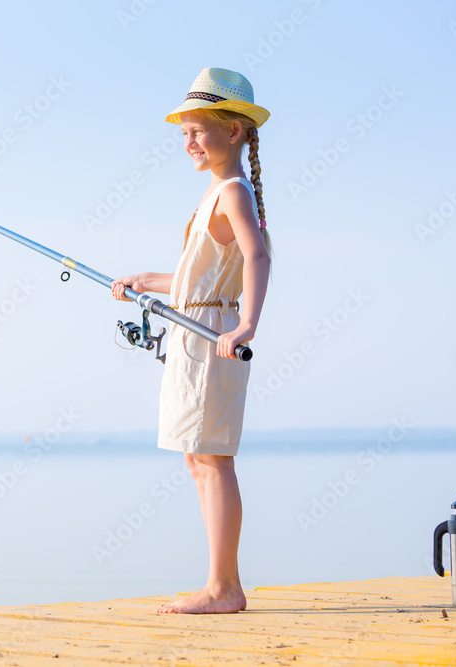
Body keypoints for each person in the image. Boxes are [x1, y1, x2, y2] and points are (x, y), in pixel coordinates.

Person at [111, 67, 273, 614]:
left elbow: (258, 256)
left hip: (214, 342)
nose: (189, 142)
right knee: (196, 458)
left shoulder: (233, 192)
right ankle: (219, 583)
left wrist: (246, 325)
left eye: (198, 130)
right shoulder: (212, 196)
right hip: (192, 336)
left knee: (213, 458)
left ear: (234, 132)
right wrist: (143, 281)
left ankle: (224, 587)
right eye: (183, 133)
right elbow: (193, 282)